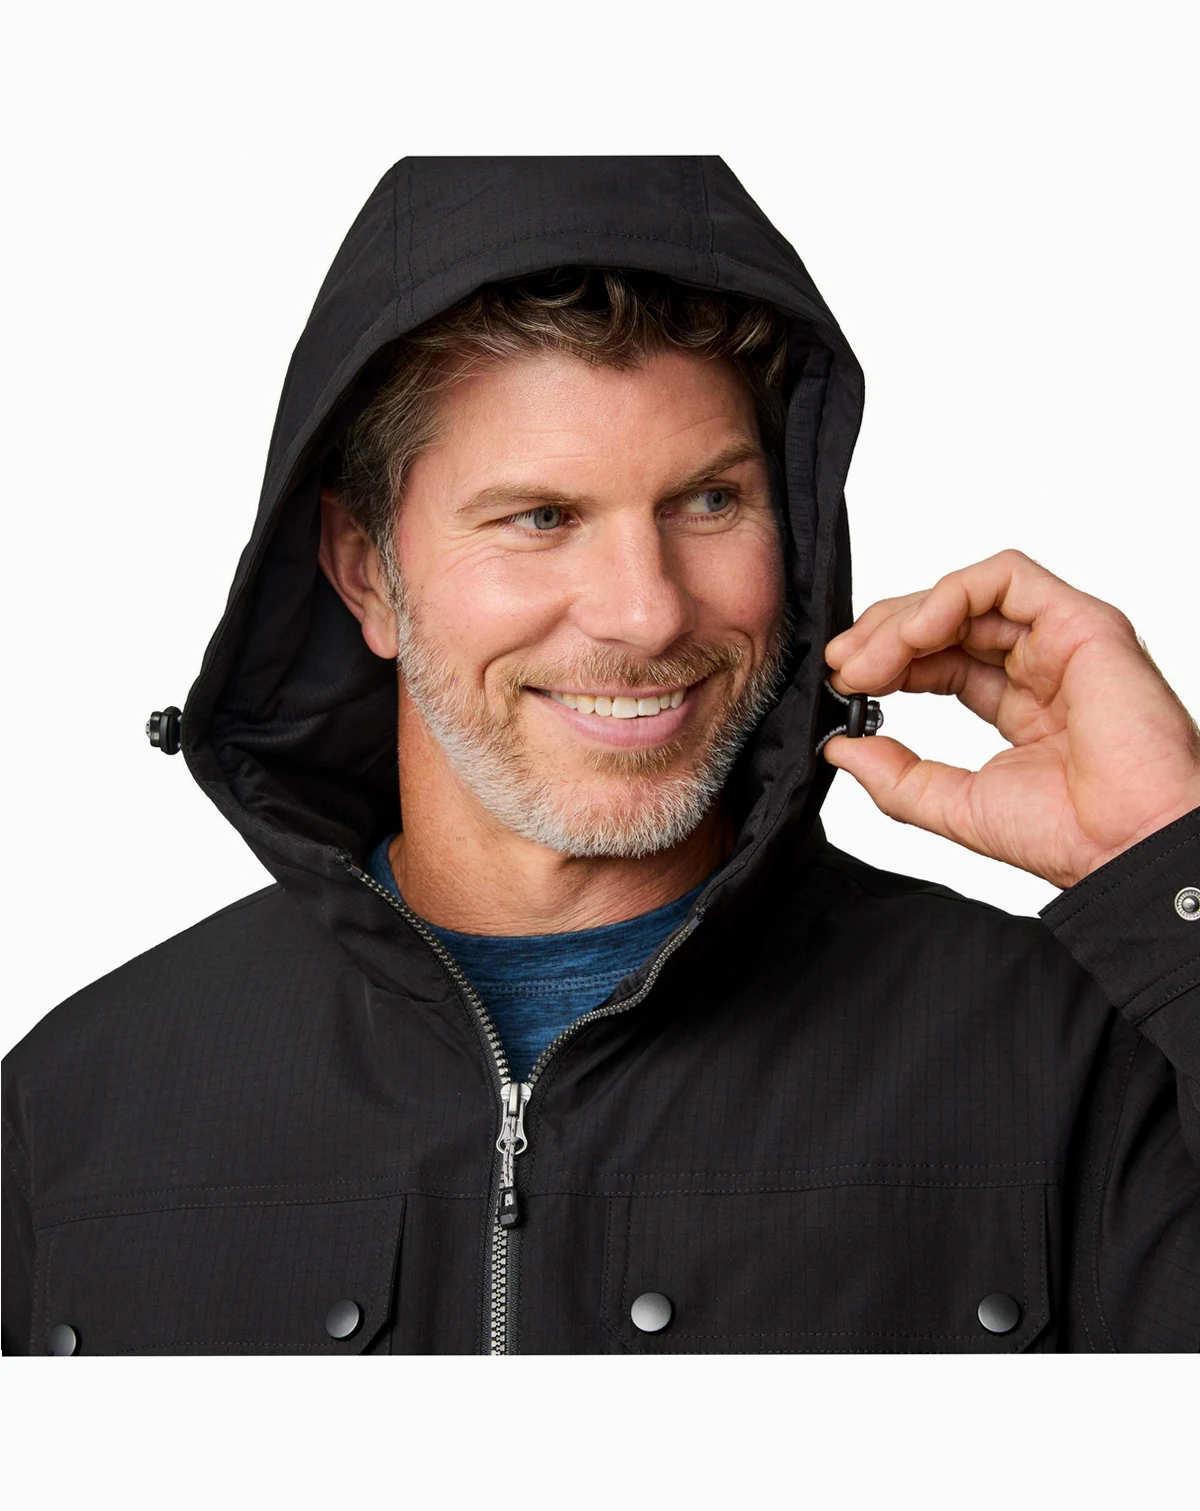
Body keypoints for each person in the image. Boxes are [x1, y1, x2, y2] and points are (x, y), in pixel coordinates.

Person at [3, 155, 1198, 1357]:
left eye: (709, 502)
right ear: (367, 573)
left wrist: (1167, 862)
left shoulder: (1069, 1052)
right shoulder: (71, 1110)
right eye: (542, 517)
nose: (647, 611)